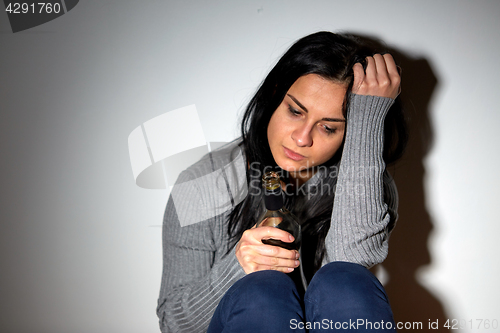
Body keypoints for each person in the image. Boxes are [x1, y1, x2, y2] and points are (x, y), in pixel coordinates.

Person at [156, 31, 408, 333]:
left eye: (328, 127)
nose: (302, 138)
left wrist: (367, 118)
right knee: (262, 292)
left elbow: (350, 262)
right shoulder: (205, 182)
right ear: (275, 94)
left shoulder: (367, 186)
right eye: (294, 111)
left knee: (346, 281)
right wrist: (238, 268)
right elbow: (174, 325)